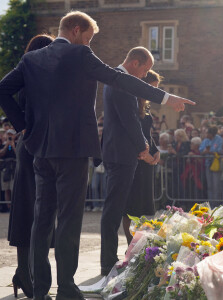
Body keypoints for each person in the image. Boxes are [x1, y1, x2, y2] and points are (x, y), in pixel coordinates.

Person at [0, 11, 195, 300]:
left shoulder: (31, 59)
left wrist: (25, 126)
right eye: (88, 37)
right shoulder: (81, 55)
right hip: (74, 149)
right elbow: (119, 79)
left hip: (40, 149)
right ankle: (66, 286)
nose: (88, 42)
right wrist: (166, 97)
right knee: (68, 220)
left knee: (42, 219)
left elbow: (3, 89)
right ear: (77, 31)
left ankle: (41, 288)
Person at [101, 47, 160, 275]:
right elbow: (129, 119)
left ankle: (111, 259)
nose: (145, 76)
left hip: (120, 151)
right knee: (114, 210)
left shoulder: (119, 78)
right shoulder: (122, 81)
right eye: (145, 70)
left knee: (117, 209)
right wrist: (143, 148)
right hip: (121, 153)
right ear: (135, 63)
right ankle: (107, 262)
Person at [6, 34, 55, 299]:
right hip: (31, 146)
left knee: (40, 213)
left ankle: (26, 272)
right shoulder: (30, 72)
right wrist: (22, 125)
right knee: (29, 212)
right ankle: (26, 275)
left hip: (38, 145)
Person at [122, 70, 162, 245]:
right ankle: (131, 243)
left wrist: (155, 150)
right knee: (130, 205)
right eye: (151, 88)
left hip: (147, 162)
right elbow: (132, 132)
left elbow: (147, 133)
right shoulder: (130, 102)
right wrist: (144, 155)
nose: (152, 93)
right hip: (136, 160)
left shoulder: (145, 106)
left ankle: (140, 242)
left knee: (143, 205)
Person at [199, 126, 223, 207]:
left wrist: (210, 152)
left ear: (211, 134)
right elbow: (201, 150)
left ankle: (217, 205)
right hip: (207, 164)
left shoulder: (219, 139)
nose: (205, 134)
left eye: (207, 133)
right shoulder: (205, 140)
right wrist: (205, 152)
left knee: (216, 186)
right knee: (209, 186)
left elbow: (220, 151)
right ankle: (211, 205)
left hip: (216, 165)